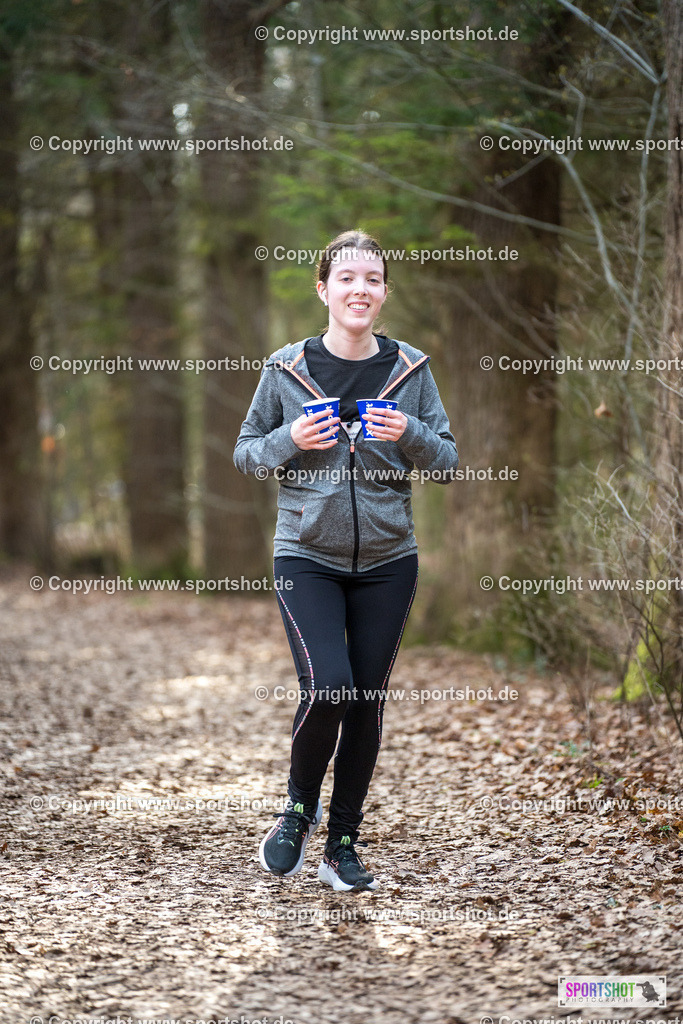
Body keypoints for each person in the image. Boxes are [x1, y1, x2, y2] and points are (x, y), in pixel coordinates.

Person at [233, 229, 458, 891]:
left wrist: (410, 433)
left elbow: (445, 463)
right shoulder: (285, 368)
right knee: (329, 686)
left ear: (383, 292)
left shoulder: (410, 370)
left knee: (364, 701)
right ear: (324, 288)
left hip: (390, 559)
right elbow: (247, 454)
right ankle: (297, 810)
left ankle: (343, 843)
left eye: (373, 280)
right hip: (305, 553)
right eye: (347, 279)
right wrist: (289, 437)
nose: (360, 290)